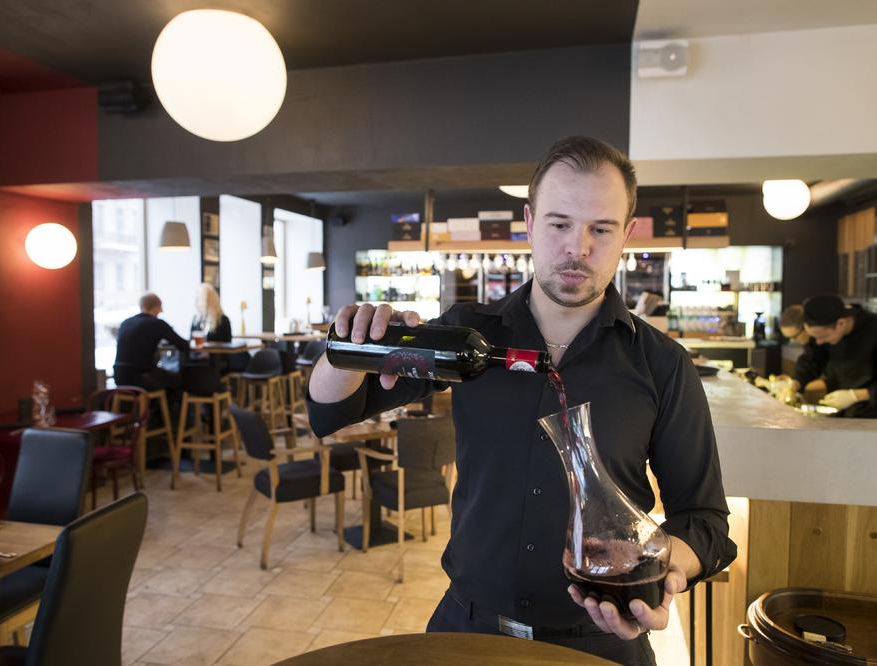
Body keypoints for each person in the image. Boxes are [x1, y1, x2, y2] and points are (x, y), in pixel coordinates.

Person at [307, 136, 735, 664]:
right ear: (530, 223)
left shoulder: (662, 363)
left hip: (601, 641)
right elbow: (330, 411)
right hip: (465, 629)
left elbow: (706, 522)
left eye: (600, 228)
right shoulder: (466, 335)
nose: (577, 247)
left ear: (625, 234)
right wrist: (345, 346)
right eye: (559, 224)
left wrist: (667, 572)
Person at [803, 294, 877, 419]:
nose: (818, 342)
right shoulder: (824, 331)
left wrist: (855, 395)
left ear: (841, 323)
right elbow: (812, 359)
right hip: (848, 415)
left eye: (822, 337)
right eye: (814, 337)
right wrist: (794, 383)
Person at [113, 293, 190, 392]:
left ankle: (152, 406)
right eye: (160, 307)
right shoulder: (157, 323)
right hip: (141, 378)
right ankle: (163, 407)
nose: (162, 311)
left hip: (119, 378)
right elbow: (183, 345)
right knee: (178, 380)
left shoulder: (125, 323)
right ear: (156, 307)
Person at [769, 304, 829, 402]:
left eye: (795, 336)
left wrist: (793, 387)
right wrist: (795, 381)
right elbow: (808, 362)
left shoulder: (826, 341)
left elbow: (833, 375)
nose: (793, 341)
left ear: (807, 327)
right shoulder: (811, 344)